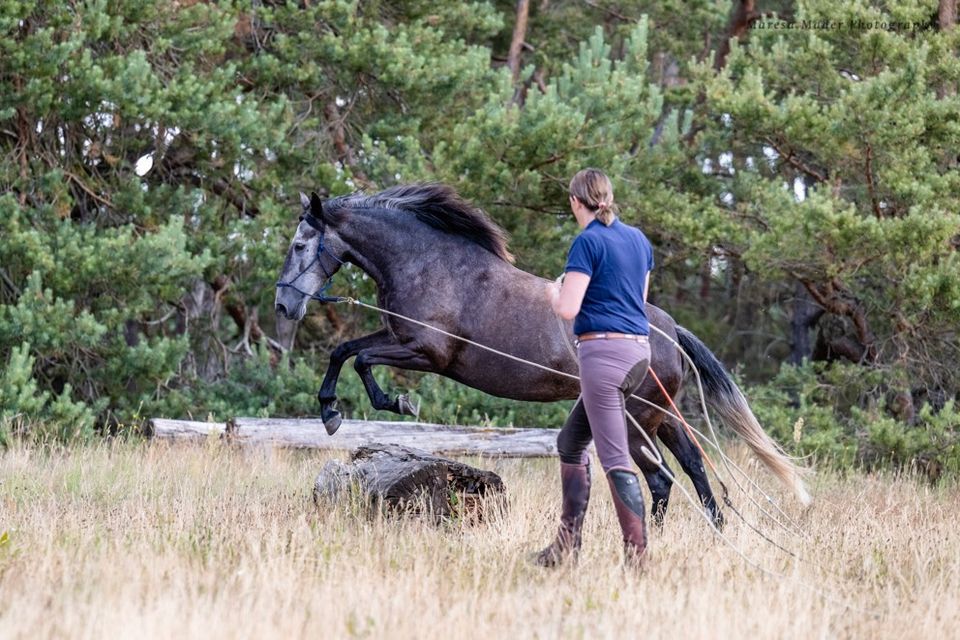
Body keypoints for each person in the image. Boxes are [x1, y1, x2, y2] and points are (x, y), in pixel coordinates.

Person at [535, 168, 655, 568]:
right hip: (639, 356)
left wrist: (554, 292)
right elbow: (638, 300)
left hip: (604, 360)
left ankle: (637, 561)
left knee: (616, 459)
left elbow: (568, 309)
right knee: (570, 443)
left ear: (575, 201)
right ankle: (565, 548)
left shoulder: (586, 243)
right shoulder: (638, 240)